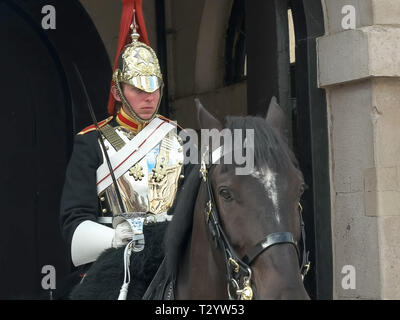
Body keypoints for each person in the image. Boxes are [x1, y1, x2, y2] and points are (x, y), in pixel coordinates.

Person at [59, 1, 184, 299]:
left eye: (154, 88)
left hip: (172, 264)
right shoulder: (92, 142)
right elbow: (73, 221)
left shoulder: (178, 136)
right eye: (138, 88)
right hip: (115, 263)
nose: (149, 98)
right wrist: (114, 237)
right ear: (117, 91)